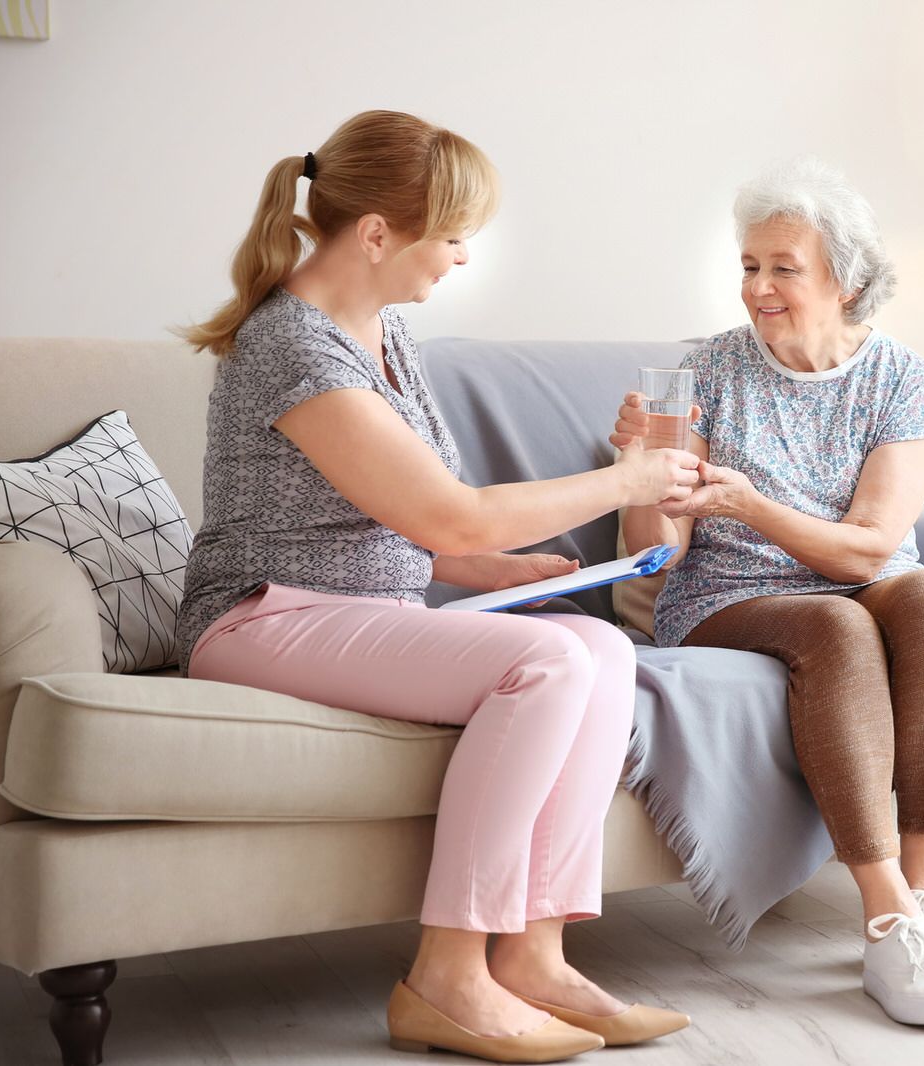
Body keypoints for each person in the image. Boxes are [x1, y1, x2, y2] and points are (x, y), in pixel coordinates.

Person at [177, 110, 692, 1063]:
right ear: (377, 233)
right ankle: (448, 978)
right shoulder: (295, 346)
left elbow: (407, 521)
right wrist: (630, 481)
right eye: (454, 236)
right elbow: (448, 513)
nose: (460, 258)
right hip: (259, 617)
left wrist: (492, 571)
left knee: (601, 646)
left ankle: (533, 956)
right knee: (543, 664)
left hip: (354, 610)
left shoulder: (382, 335)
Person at [614, 158, 924, 1027]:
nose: (759, 286)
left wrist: (748, 498)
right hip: (726, 596)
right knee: (837, 628)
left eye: (784, 267)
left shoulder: (904, 380)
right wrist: (636, 482)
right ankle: (886, 913)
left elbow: (869, 551)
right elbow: (661, 556)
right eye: (750, 266)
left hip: (856, 579)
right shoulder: (704, 373)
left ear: (846, 280)